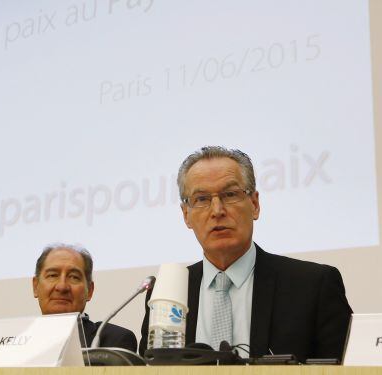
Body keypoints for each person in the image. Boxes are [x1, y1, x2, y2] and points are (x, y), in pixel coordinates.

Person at [139, 146, 352, 361]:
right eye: (202, 199)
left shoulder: (312, 286)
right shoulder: (167, 295)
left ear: (255, 204)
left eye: (230, 194)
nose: (217, 210)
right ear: (186, 215)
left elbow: (348, 373)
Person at [33, 243, 138, 352]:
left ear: (90, 290)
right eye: (53, 275)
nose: (62, 286)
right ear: (35, 286)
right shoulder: (16, 341)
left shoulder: (114, 340)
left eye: (74, 277)